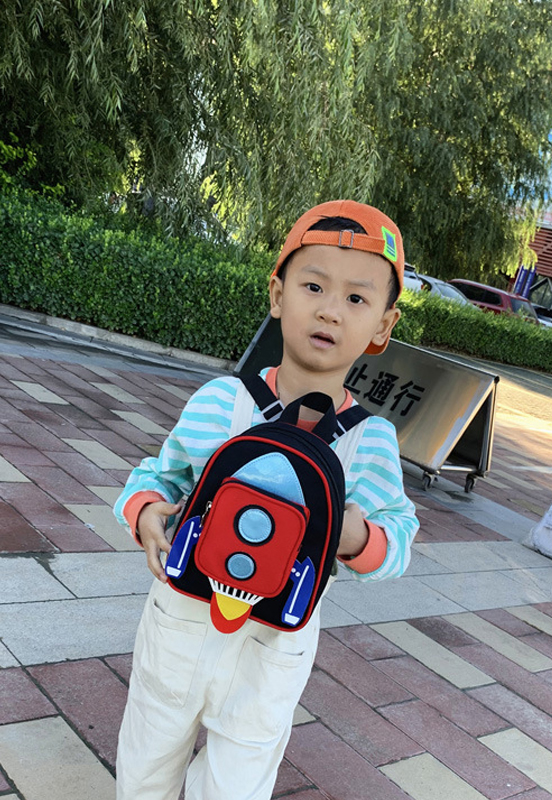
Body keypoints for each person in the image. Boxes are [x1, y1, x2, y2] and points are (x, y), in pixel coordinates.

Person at [113, 199, 420, 800]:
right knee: (146, 763)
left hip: (274, 643)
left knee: (238, 782)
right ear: (278, 294)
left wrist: (358, 539)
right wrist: (147, 510)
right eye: (313, 286)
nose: (330, 310)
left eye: (357, 299)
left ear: (383, 326)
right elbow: (161, 474)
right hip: (182, 616)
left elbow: (400, 540)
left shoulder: (370, 443)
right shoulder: (220, 401)